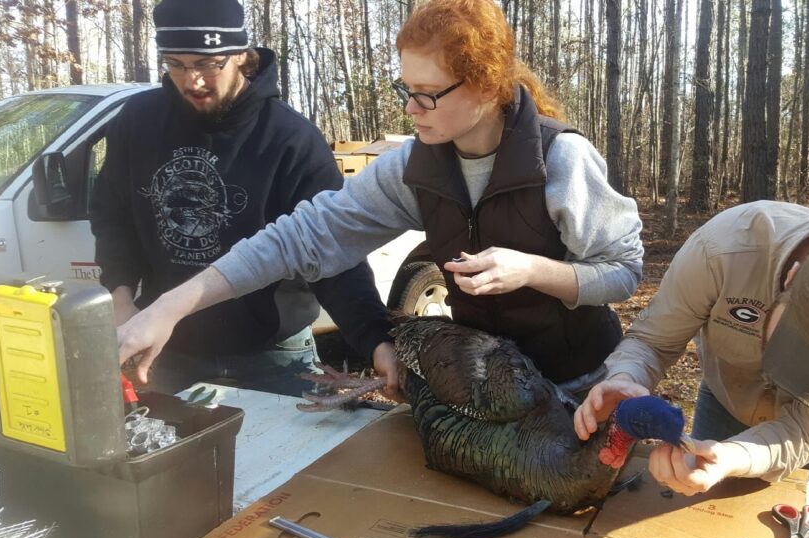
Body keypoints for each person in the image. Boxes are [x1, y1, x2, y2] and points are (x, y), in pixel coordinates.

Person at [113, 0, 644, 400]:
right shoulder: (416, 167)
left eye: (427, 93)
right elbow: (298, 238)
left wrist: (532, 269)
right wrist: (170, 306)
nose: (411, 108)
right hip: (487, 384)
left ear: (483, 86)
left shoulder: (561, 159)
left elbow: (623, 273)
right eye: (405, 89)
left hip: (579, 383)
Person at [91, 0, 392, 395]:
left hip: (273, 352)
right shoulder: (138, 122)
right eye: (176, 64)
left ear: (239, 56)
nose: (191, 80)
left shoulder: (290, 139)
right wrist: (120, 296)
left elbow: (333, 248)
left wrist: (375, 339)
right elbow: (113, 217)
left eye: (206, 64)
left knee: (290, 458)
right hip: (168, 346)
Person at [574, 201, 809, 494]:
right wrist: (626, 376)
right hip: (726, 400)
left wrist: (735, 457)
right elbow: (653, 342)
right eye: (795, 343)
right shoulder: (722, 250)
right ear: (793, 275)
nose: (794, 373)